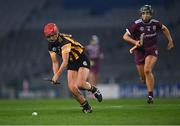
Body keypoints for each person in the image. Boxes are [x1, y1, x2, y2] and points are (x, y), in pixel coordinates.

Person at [43, 23, 103, 113]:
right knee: (72, 88)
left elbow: (65, 62)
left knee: (80, 84)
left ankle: (94, 89)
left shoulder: (64, 42)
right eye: (49, 37)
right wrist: (55, 75)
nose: (51, 38)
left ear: (57, 33)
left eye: (52, 35)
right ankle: (86, 107)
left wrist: (57, 76)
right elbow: (55, 62)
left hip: (81, 58)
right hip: (72, 62)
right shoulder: (50, 45)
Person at [123, 5, 174, 104]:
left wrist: (170, 40)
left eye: (147, 13)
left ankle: (150, 95)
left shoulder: (155, 23)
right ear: (141, 14)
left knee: (147, 70)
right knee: (143, 78)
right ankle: (146, 83)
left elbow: (164, 29)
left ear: (151, 14)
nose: (145, 15)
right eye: (143, 13)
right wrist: (135, 42)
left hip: (151, 50)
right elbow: (125, 36)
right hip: (139, 52)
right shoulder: (136, 24)